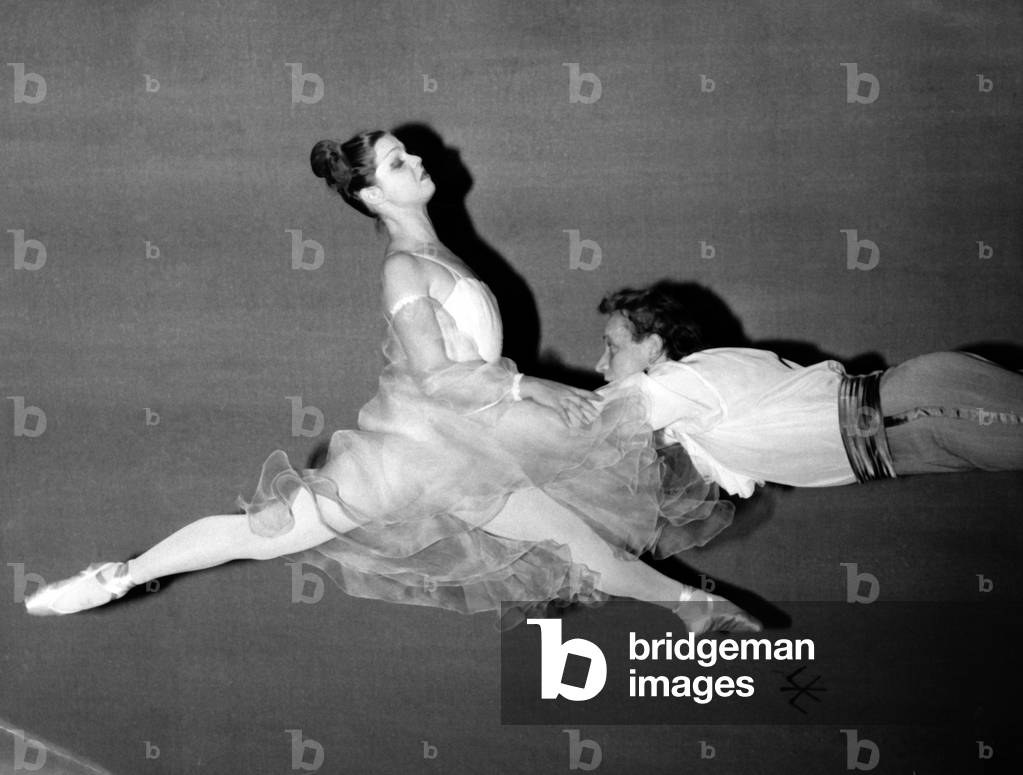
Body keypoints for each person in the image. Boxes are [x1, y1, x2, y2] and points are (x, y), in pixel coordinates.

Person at [25, 132, 758, 634]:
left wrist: (529, 394)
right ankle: (116, 575)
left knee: (591, 551)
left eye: (406, 153)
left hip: (470, 453)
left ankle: (693, 605)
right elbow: (439, 375)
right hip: (411, 455)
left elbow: (466, 372)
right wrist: (532, 390)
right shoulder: (403, 267)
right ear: (373, 195)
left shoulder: (439, 251)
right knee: (264, 531)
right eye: (397, 161)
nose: (415, 159)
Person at [596, 281, 1023, 498]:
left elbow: (593, 417)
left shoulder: (684, 381)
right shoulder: (691, 413)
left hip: (918, 408)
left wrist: (526, 390)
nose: (601, 365)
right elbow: (736, 482)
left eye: (611, 348)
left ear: (652, 347)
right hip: (909, 445)